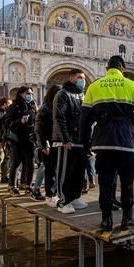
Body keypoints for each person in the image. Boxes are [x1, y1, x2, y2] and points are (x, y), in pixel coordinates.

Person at [80, 55, 134, 231]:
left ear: (107, 68)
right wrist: (128, 119)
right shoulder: (132, 85)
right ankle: (127, 219)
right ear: (122, 69)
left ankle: (106, 220)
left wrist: (85, 143)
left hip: (103, 142)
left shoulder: (94, 86)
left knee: (105, 182)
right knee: (127, 183)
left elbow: (85, 119)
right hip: (127, 142)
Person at [52, 69, 88, 213]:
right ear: (72, 78)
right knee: (65, 171)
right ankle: (63, 201)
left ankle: (74, 197)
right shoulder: (62, 94)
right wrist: (65, 139)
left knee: (78, 171)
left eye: (83, 78)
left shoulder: (82, 95)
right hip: (66, 140)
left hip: (79, 139)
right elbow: (59, 118)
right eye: (79, 77)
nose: (82, 80)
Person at [4, 86, 37, 196]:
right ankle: (12, 186)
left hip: (30, 138)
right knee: (16, 163)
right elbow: (7, 122)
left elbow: (36, 121)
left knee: (30, 162)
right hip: (16, 139)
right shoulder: (14, 106)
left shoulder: (32, 105)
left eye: (31, 93)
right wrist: (19, 121)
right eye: (28, 93)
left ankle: (27, 184)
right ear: (21, 94)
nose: (30, 95)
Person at [34, 85, 61, 205]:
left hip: (56, 142)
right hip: (48, 143)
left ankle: (55, 193)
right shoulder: (45, 109)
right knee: (50, 169)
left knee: (56, 169)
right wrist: (43, 145)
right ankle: (50, 195)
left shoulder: (57, 107)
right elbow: (39, 129)